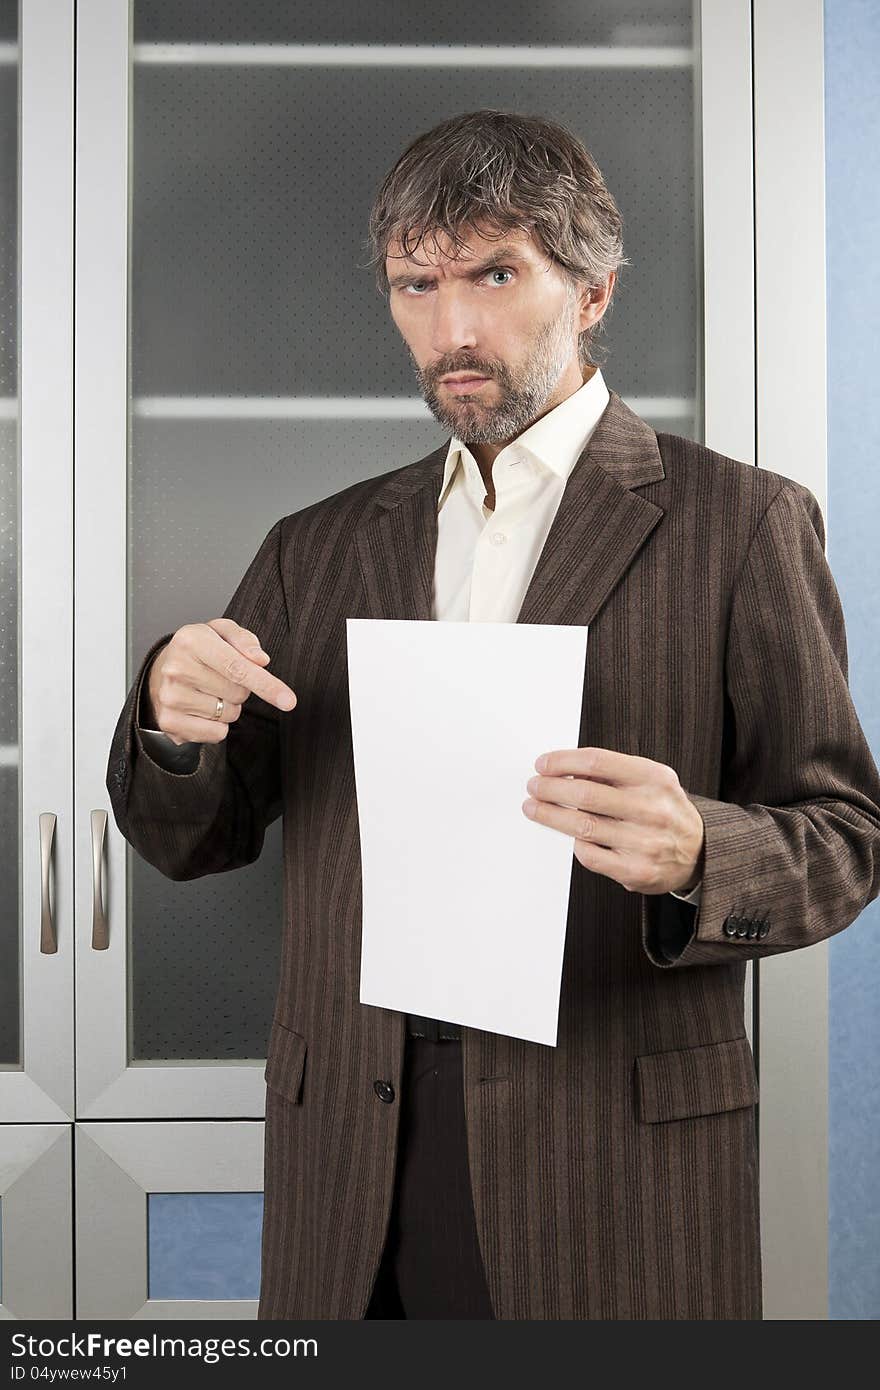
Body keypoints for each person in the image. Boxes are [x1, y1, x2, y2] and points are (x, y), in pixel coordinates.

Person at [106, 109, 880, 1320]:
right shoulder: (314, 547)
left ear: (591, 291)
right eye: (417, 284)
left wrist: (696, 853)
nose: (451, 328)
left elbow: (844, 838)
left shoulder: (741, 525)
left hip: (613, 1159)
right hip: (354, 1151)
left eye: (495, 274)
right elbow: (195, 839)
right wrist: (170, 720)